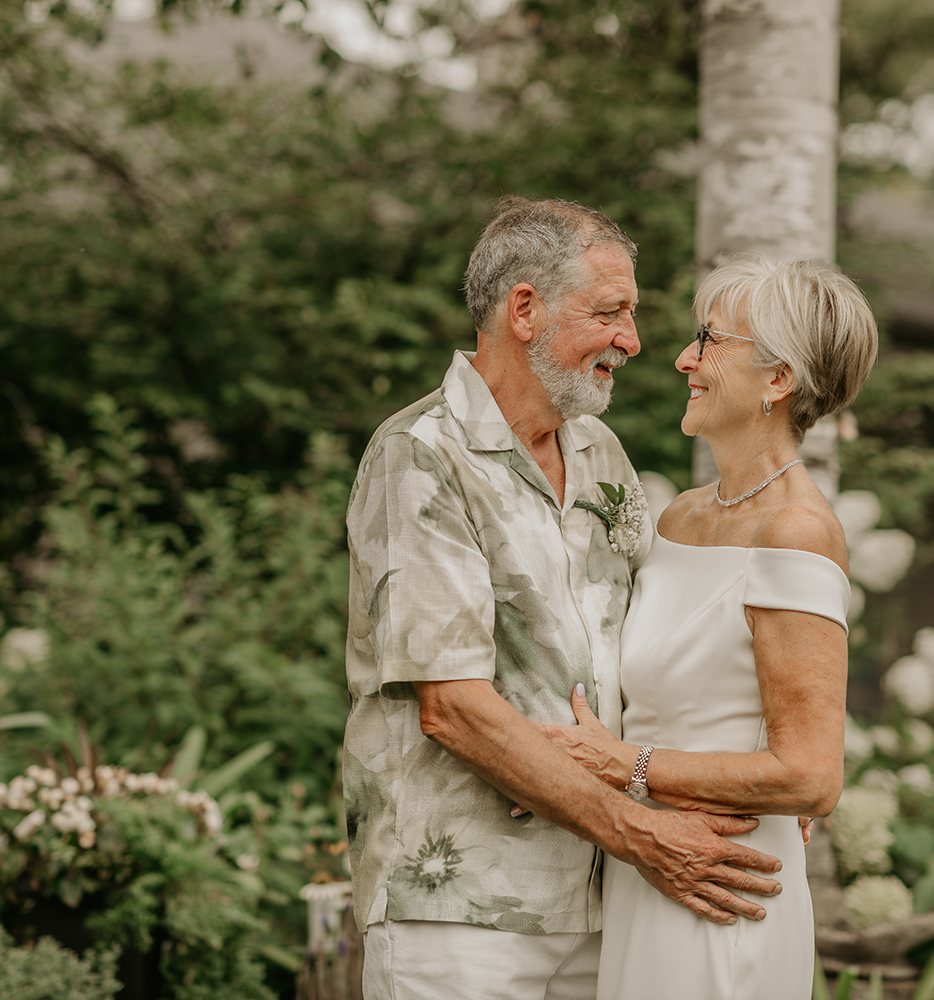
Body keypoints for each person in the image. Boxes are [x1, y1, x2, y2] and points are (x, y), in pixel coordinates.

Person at [342, 198, 786, 1000]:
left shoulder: (601, 453)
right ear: (524, 309)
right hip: (461, 910)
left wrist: (767, 757)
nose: (635, 341)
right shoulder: (419, 456)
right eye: (611, 312)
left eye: (634, 315)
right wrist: (646, 836)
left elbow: (663, 646)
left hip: (605, 901)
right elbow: (453, 708)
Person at [540, 255, 879, 1000]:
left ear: (778, 379)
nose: (682, 358)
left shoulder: (797, 532)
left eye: (710, 340)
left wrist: (623, 765)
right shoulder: (681, 516)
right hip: (649, 868)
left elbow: (811, 777)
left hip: (725, 882)